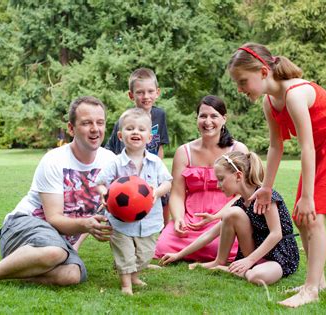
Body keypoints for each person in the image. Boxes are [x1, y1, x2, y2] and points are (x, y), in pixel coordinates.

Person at [228, 43, 326, 307]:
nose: (240, 89)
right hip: (317, 148)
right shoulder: (270, 102)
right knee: (301, 218)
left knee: (311, 216)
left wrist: (308, 196)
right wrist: (266, 188)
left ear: (263, 71)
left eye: (243, 81)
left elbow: (306, 147)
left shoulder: (295, 93)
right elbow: (275, 146)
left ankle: (311, 290)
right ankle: (318, 281)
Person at [0, 96, 116, 293]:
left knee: (72, 275)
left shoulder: (110, 161)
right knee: (55, 252)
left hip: (58, 241)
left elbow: (91, 212)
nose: (95, 129)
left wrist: (76, 242)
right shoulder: (55, 160)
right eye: (86, 123)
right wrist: (84, 225)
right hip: (22, 226)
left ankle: (10, 271)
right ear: (71, 128)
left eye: (100, 122)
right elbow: (54, 218)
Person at [155, 95, 248, 262]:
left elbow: (244, 193)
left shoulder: (238, 149)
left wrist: (217, 216)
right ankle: (192, 244)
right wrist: (178, 219)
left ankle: (212, 249)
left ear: (224, 119)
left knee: (217, 244)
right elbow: (177, 193)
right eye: (203, 116)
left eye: (214, 116)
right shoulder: (184, 152)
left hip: (224, 217)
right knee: (163, 246)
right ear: (196, 119)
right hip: (191, 219)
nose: (208, 121)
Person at [188, 151, 299, 286]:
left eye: (221, 179)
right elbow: (211, 233)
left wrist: (249, 260)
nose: (218, 185)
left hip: (279, 254)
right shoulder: (240, 204)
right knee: (232, 212)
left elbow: (276, 234)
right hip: (255, 254)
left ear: (238, 176)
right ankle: (220, 262)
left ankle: (237, 269)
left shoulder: (266, 197)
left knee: (258, 277)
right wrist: (178, 255)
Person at [96, 108, 172, 295]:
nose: (135, 132)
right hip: (120, 220)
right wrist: (105, 194)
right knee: (125, 254)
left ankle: (135, 275)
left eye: (141, 129)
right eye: (130, 129)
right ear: (121, 136)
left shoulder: (155, 162)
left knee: (145, 254)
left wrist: (156, 191)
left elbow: (168, 182)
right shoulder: (115, 162)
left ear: (149, 138)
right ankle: (126, 284)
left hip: (149, 220)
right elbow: (100, 183)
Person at [105, 67, 171, 224]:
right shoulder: (125, 121)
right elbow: (111, 152)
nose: (146, 96)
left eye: (150, 91)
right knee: (131, 210)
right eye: (140, 92)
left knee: (164, 197)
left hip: (151, 171)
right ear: (131, 95)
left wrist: (158, 169)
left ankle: (164, 233)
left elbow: (159, 147)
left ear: (157, 92)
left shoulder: (159, 115)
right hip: (130, 177)